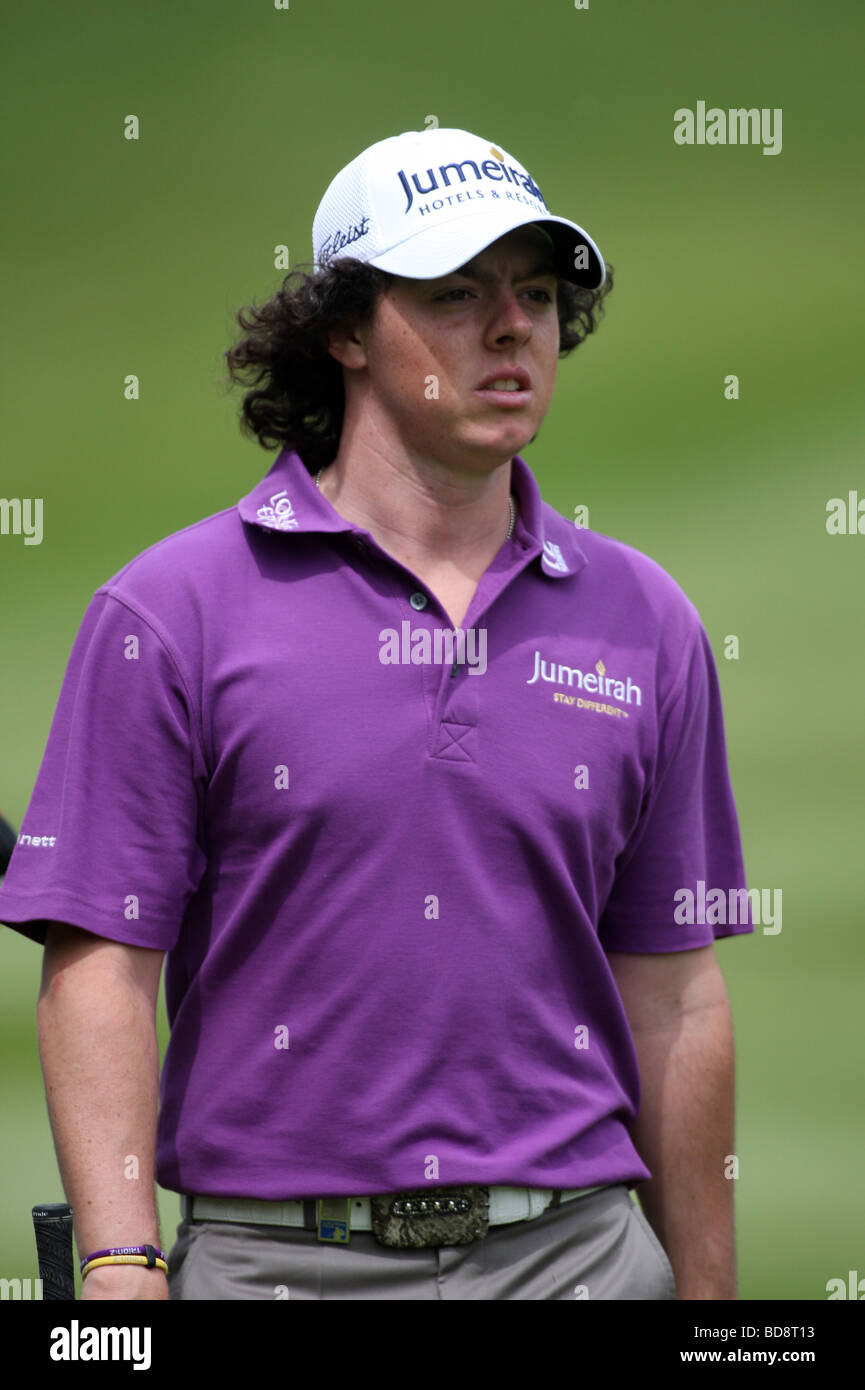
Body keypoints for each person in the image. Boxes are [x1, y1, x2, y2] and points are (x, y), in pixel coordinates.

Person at [0, 127, 752, 1301]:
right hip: (274, 1267)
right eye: (456, 293)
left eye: (539, 295)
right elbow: (100, 969)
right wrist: (120, 1266)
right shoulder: (170, 610)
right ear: (343, 330)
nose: (513, 329)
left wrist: (714, 1315)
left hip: (582, 1261)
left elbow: (676, 998)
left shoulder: (641, 619)